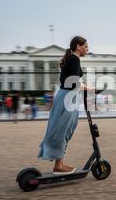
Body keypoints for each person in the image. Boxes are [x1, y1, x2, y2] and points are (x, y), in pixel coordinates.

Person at [38, 36, 94, 174]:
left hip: (67, 96)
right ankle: (59, 165)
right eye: (86, 46)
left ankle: (59, 163)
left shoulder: (72, 59)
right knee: (63, 130)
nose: (87, 49)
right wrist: (88, 88)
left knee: (64, 129)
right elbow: (73, 83)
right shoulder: (74, 59)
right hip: (68, 98)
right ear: (78, 46)